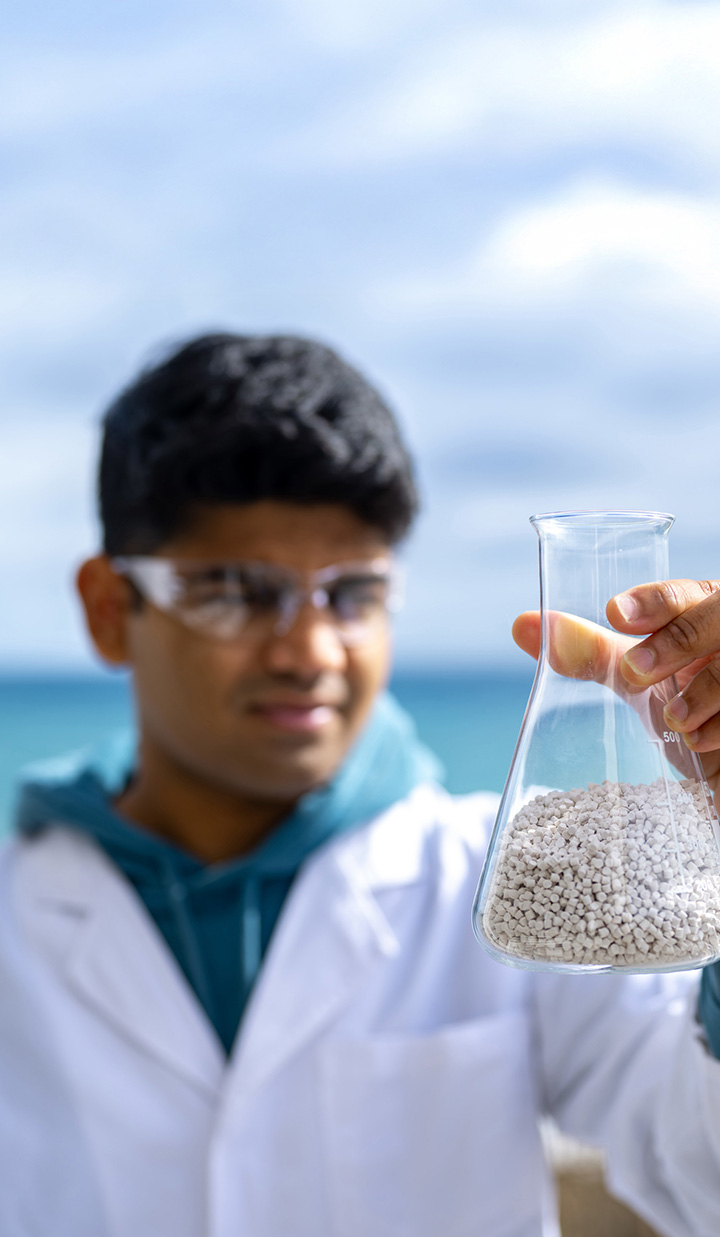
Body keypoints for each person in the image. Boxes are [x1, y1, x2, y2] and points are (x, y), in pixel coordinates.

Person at [3, 331, 720, 1237]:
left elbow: (701, 1173)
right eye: (236, 590)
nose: (310, 651)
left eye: (352, 593)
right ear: (112, 610)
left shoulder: (493, 877)